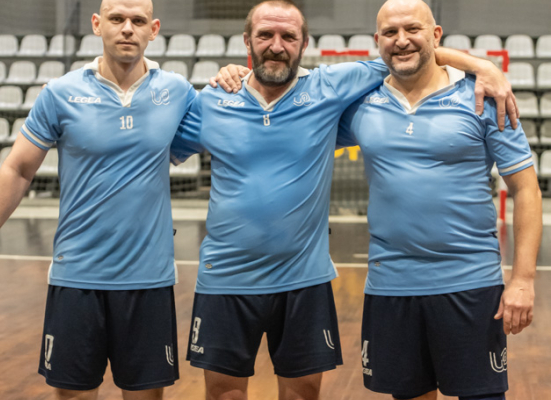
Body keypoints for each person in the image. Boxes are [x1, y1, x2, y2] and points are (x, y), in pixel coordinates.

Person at [171, 1, 519, 399]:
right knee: (222, 393)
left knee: (303, 393)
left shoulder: (330, 88)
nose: (276, 45)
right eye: (265, 35)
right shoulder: (213, 100)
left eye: (288, 36)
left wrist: (483, 67)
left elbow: (407, 55)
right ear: (247, 41)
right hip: (224, 277)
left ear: (304, 44)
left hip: (305, 279)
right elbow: (156, 150)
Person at [0, 0, 198, 399]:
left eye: (138, 20)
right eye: (117, 19)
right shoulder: (60, 93)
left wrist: (232, 75)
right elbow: (18, 170)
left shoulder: (178, 93)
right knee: (73, 394)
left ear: (154, 29)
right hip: (76, 278)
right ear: (97, 24)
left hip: (149, 280)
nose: (127, 28)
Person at [335, 1, 542, 399]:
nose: (401, 40)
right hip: (390, 285)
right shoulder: (360, 102)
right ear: (377, 40)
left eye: (413, 29)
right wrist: (238, 73)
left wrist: (523, 280)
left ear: (436, 34)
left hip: (471, 284)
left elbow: (526, 189)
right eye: (390, 33)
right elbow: (291, 94)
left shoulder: (484, 97)